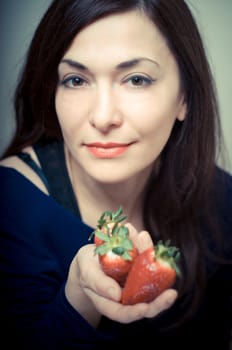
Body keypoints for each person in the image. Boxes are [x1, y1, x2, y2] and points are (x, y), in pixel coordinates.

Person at [0, 0, 231, 349]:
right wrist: (78, 297)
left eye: (136, 79)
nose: (104, 116)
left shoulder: (220, 197)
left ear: (184, 96)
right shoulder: (10, 204)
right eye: (76, 80)